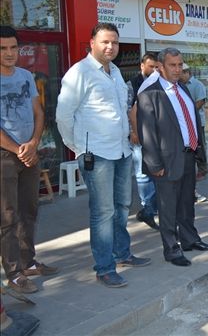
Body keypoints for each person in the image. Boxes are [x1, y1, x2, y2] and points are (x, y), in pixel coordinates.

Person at [56, 23, 150, 288]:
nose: (111, 47)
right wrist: (78, 146)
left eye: (115, 43)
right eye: (105, 42)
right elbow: (63, 115)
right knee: (103, 211)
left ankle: (122, 254)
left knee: (121, 205)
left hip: (121, 150)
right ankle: (104, 267)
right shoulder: (80, 73)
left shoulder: (115, 72)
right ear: (92, 42)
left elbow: (121, 109)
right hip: (96, 154)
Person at [137, 48, 208, 267]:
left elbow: (190, 121)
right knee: (168, 207)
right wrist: (154, 164)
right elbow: (147, 132)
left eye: (180, 65)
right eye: (173, 65)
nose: (177, 69)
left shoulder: (183, 89)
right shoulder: (150, 94)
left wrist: (199, 153)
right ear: (161, 67)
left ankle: (190, 240)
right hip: (165, 160)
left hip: (187, 156)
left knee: (186, 204)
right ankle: (172, 250)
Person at [1, 26, 58, 295]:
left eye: (13, 47)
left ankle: (28, 262)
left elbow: (38, 111)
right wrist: (17, 149)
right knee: (7, 215)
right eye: (3, 48)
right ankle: (13, 274)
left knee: (29, 210)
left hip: (29, 153)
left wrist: (33, 143)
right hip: (5, 156)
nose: (9, 53)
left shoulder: (25, 75)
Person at [127, 53, 159, 230]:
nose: (154, 70)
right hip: (139, 136)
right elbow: (128, 110)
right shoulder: (132, 84)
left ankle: (151, 207)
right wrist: (133, 132)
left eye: (156, 67)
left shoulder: (159, 83)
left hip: (156, 136)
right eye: (150, 66)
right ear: (142, 66)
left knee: (157, 171)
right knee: (142, 174)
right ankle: (148, 207)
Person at [180, 63, 208, 181]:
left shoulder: (197, 85)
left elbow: (200, 101)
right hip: (185, 122)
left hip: (197, 121)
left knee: (199, 146)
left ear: (187, 73)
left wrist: (187, 112)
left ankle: (202, 168)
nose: (179, 75)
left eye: (182, 73)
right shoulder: (179, 85)